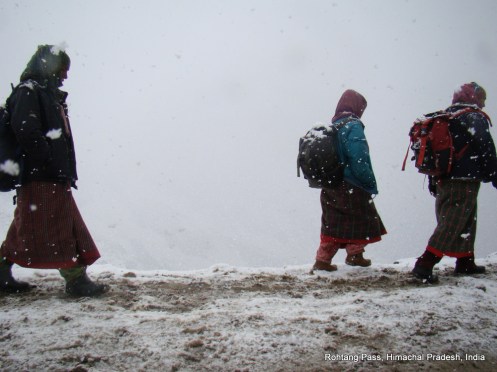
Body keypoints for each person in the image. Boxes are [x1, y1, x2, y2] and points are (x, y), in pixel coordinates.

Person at [0, 45, 108, 296]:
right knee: (58, 226)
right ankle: (75, 279)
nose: (65, 75)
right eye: (62, 68)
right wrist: (47, 160)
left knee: (27, 225)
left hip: (46, 174)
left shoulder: (43, 94)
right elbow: (25, 129)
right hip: (42, 175)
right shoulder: (29, 93)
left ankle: (2, 271)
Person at [412, 82, 497, 283]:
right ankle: (425, 263)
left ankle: (465, 260)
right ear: (473, 97)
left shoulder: (447, 117)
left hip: (445, 175)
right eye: (482, 99)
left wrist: (435, 177)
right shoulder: (472, 116)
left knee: (466, 217)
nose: (483, 104)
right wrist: (494, 172)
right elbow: (485, 145)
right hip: (464, 177)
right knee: (454, 220)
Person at [312, 89, 386, 272]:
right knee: (361, 218)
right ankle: (355, 255)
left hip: (331, 183)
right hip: (351, 183)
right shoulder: (353, 126)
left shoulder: (332, 127)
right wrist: (369, 183)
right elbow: (359, 158)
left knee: (333, 221)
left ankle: (323, 259)